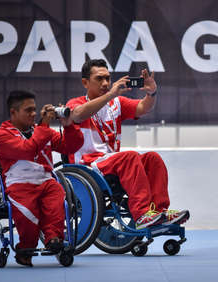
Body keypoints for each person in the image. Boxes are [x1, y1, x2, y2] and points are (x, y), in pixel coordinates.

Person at [66, 59, 189, 230]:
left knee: (152, 158)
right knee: (129, 157)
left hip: (112, 162)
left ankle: (159, 211)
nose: (105, 83)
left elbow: (142, 108)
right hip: (88, 165)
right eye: (99, 79)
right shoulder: (76, 103)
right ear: (85, 82)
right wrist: (110, 94)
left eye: (107, 78)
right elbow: (77, 115)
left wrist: (151, 93)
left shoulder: (116, 103)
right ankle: (141, 214)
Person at [0, 90, 84, 266]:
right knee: (29, 218)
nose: (34, 114)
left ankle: (54, 239)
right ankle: (25, 249)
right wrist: (44, 125)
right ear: (13, 112)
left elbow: (72, 146)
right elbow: (28, 150)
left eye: (35, 109)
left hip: (46, 180)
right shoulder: (1, 135)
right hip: (19, 183)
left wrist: (68, 125)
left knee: (57, 201)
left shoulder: (42, 131)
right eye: (28, 110)